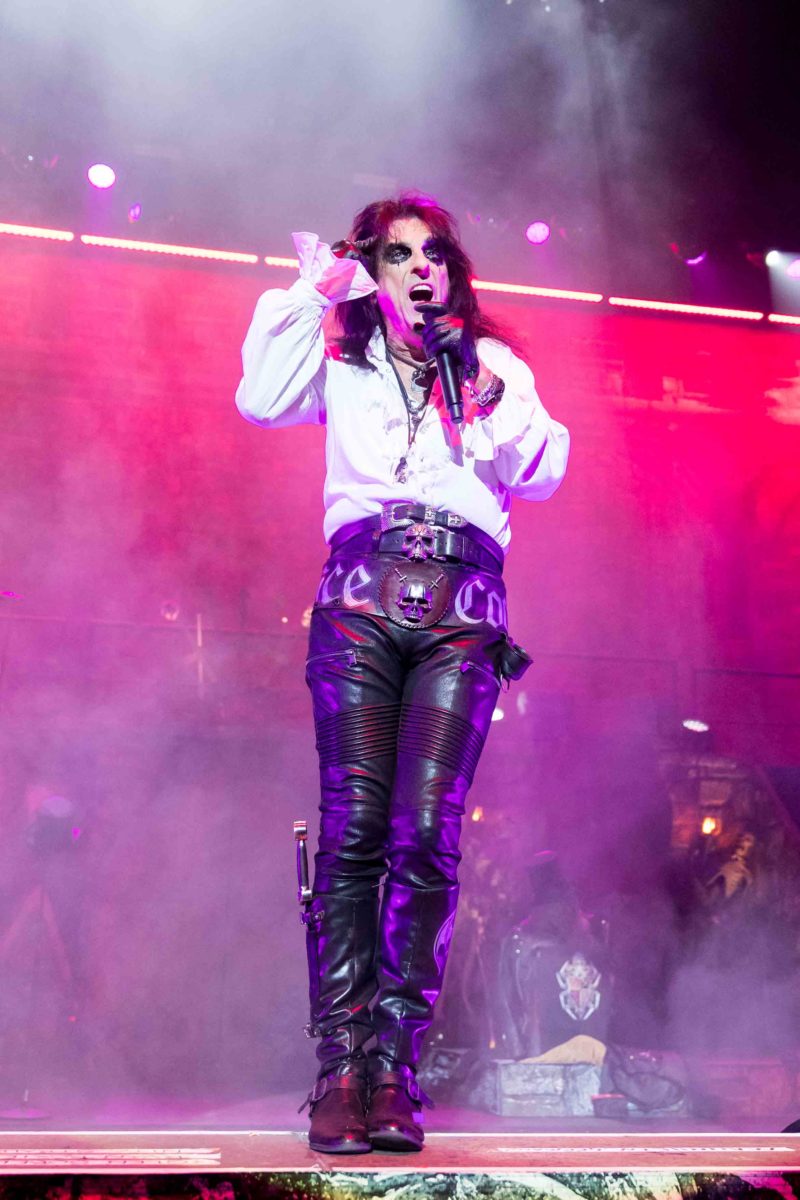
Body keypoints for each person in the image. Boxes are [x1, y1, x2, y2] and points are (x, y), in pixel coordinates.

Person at [235, 192, 569, 1154]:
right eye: (398, 255)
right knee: (353, 832)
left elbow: (545, 471)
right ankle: (339, 1068)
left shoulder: (496, 365)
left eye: (435, 254)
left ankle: (395, 1069)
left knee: (426, 837)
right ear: (373, 273)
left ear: (454, 272)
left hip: (463, 613)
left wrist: (488, 396)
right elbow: (259, 397)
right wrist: (315, 289)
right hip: (359, 602)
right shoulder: (342, 361)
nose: (422, 268)